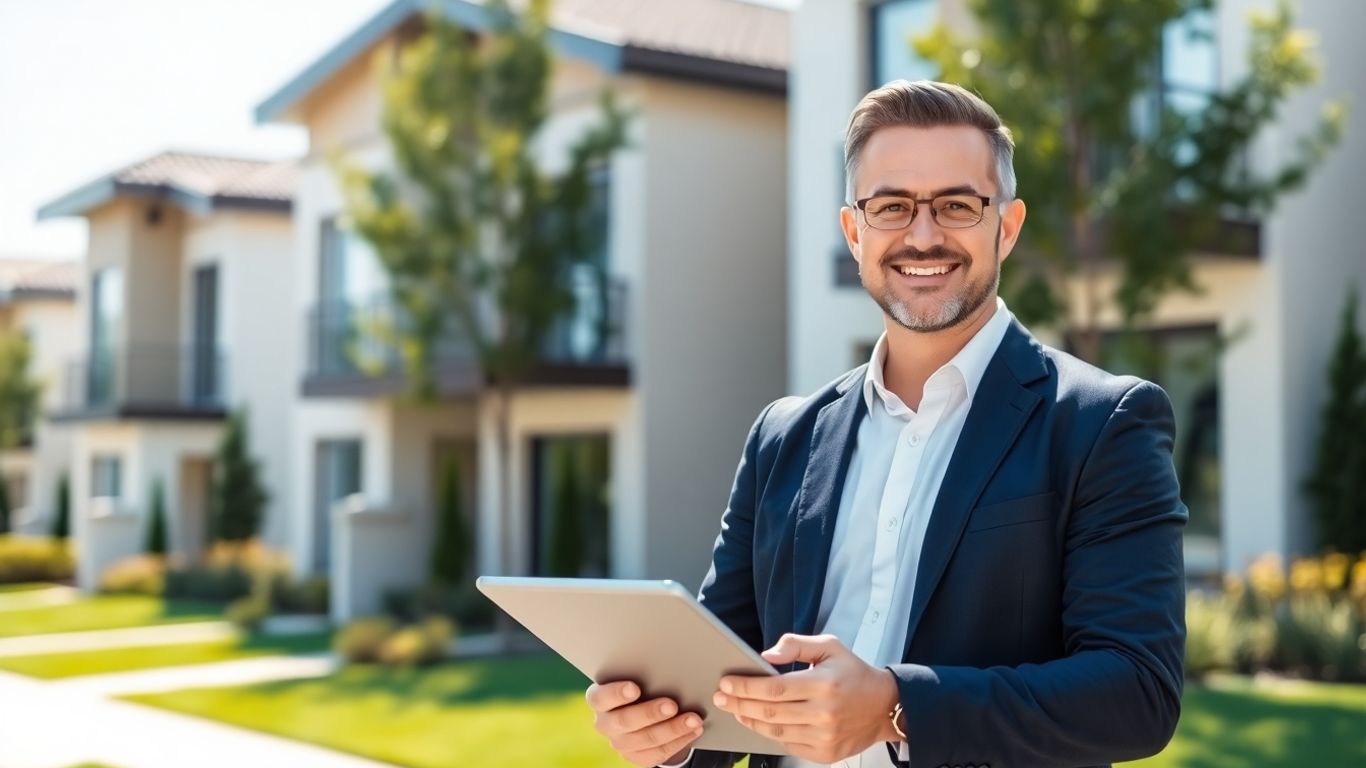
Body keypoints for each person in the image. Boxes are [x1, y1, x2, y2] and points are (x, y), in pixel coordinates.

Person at [586, 79, 1187, 768]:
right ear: (854, 231)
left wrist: (897, 708)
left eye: (957, 205)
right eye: (892, 206)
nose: (923, 235)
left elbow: (1137, 694)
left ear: (1007, 226)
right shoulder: (782, 438)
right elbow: (724, 678)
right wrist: (665, 732)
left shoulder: (1101, 424)